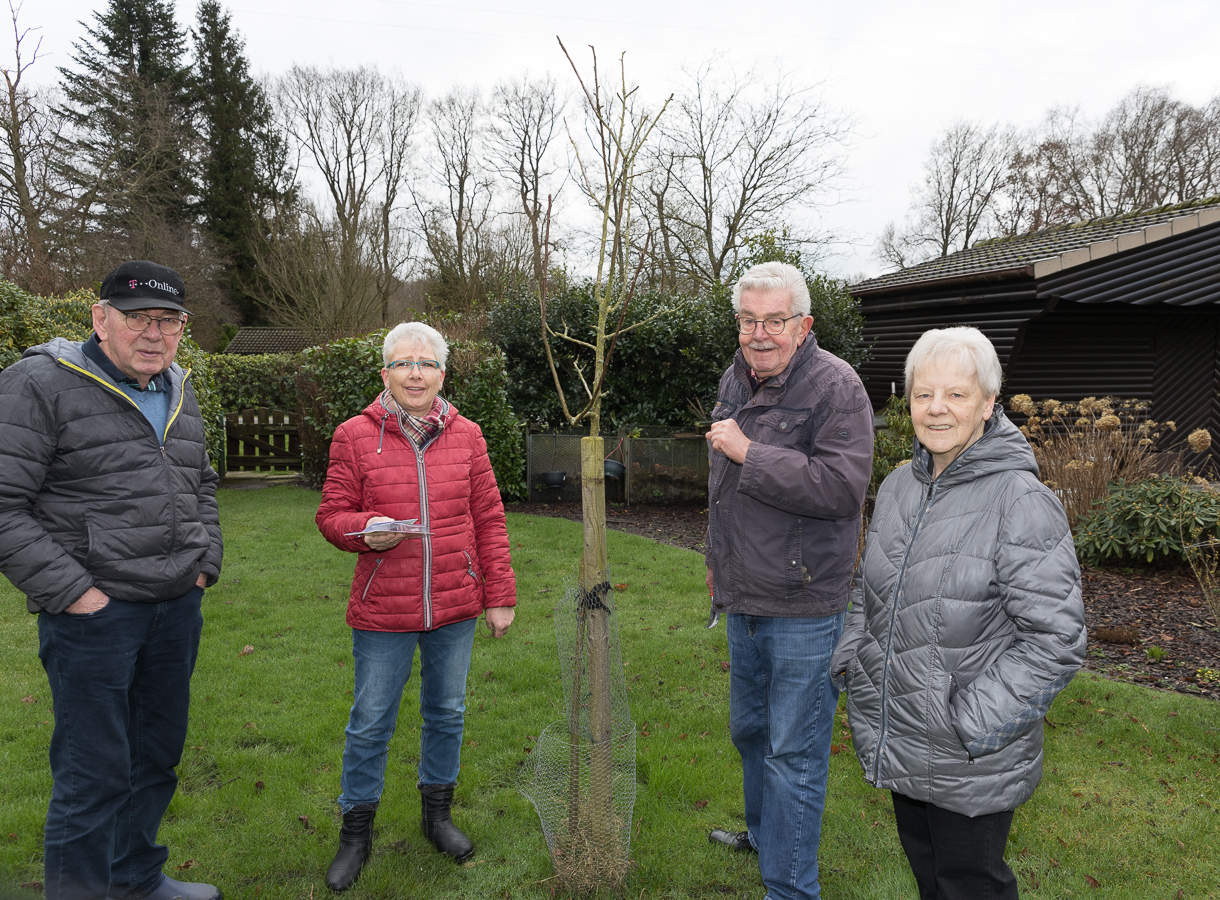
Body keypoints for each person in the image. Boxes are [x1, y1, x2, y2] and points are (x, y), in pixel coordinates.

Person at [830, 326, 1087, 900]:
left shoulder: (1020, 501)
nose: (937, 409)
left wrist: (967, 722)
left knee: (970, 886)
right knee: (930, 879)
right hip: (898, 731)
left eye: (957, 395)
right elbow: (869, 590)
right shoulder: (899, 486)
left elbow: (1056, 639)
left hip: (968, 752)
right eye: (924, 394)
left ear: (989, 404)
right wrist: (853, 662)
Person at [0, 261, 223, 900]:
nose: (155, 334)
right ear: (100, 319)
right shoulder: (39, 383)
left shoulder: (178, 385)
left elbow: (200, 482)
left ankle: (137, 880)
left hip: (176, 605)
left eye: (170, 320)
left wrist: (206, 560)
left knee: (155, 758)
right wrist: (72, 591)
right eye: (138, 318)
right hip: (95, 617)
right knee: (92, 773)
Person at [315, 321, 517, 891]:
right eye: (403, 363)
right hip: (384, 608)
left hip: (455, 604)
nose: (415, 373)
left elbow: (490, 520)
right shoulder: (354, 436)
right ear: (385, 374)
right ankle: (356, 832)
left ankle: (438, 815)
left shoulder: (469, 436)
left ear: (442, 375)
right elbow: (331, 515)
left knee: (446, 713)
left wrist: (498, 595)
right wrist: (363, 530)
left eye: (426, 363)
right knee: (371, 721)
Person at [704, 261, 874, 900]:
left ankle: (791, 888)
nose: (759, 334)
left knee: (793, 754)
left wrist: (752, 453)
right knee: (750, 732)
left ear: (804, 325)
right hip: (743, 595)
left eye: (774, 321)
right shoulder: (736, 378)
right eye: (748, 321)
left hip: (804, 604)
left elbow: (841, 488)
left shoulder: (837, 387)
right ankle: (764, 834)